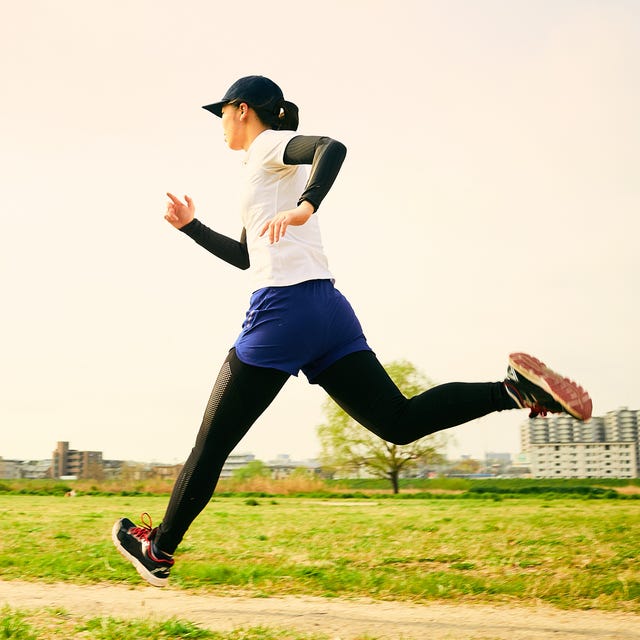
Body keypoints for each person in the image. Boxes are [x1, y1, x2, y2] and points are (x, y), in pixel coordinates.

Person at [112, 75, 592, 587]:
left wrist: (306, 206)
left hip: (283, 313)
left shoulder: (270, 146)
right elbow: (246, 255)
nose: (220, 126)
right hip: (327, 310)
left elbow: (331, 147)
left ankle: (158, 548)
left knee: (211, 445)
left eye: (222, 115)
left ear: (241, 108)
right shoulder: (267, 172)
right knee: (398, 422)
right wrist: (191, 226)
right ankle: (513, 391)